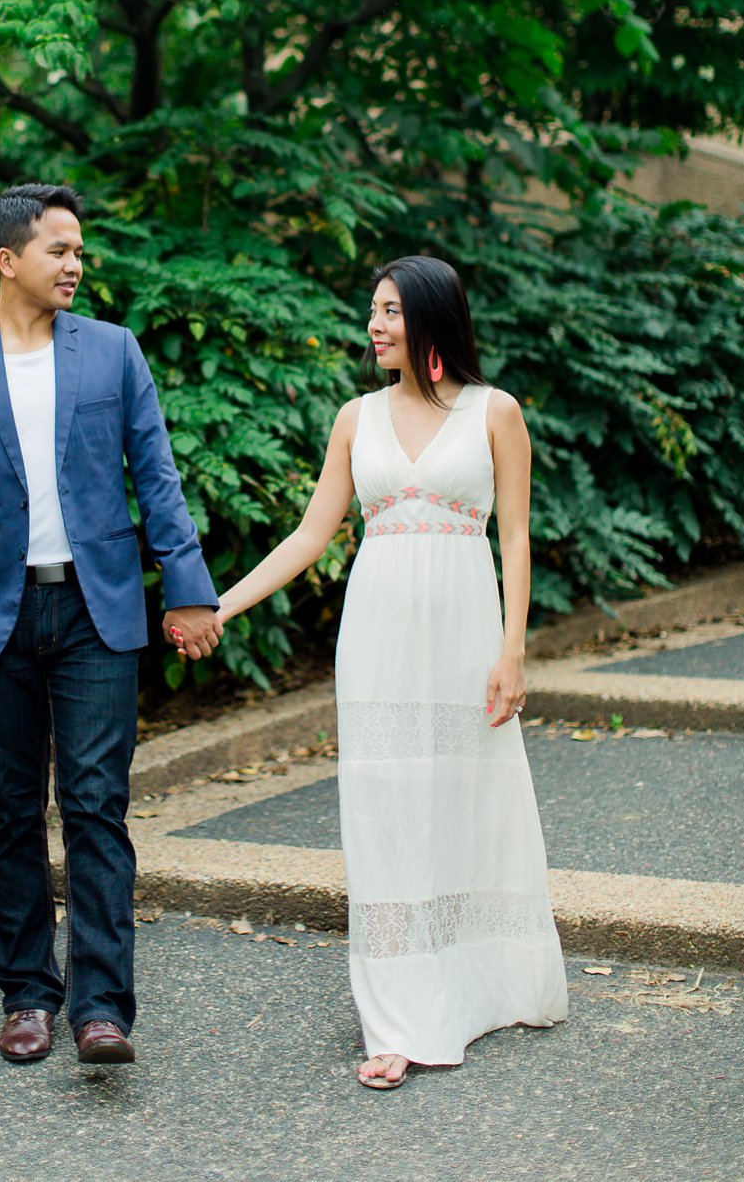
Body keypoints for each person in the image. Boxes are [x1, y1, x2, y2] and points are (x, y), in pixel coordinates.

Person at [0, 184, 224, 1067]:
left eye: (80, 251)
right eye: (59, 251)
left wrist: (187, 589)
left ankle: (102, 1007)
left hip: (96, 607)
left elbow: (156, 476)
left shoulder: (113, 352)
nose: (76, 265)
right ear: (8, 260)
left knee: (95, 807)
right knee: (8, 812)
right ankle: (28, 994)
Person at [216, 254, 566, 1088]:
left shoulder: (496, 412)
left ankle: (483, 983)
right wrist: (219, 605)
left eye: (390, 311)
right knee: (385, 810)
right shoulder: (354, 418)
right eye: (372, 310)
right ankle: (399, 1017)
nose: (374, 325)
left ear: (432, 318)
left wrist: (514, 648)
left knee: (466, 799)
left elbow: (514, 538)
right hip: (376, 634)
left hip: (465, 629)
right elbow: (310, 536)